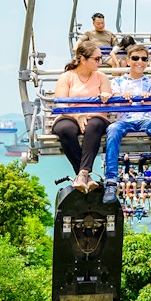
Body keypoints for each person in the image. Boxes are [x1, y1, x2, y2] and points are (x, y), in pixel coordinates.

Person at [103, 44, 151, 203]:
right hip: (125, 120)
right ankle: (111, 180)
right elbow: (116, 102)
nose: (140, 62)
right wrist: (121, 97)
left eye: (144, 59)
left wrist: (148, 98)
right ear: (128, 60)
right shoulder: (118, 82)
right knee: (112, 130)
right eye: (135, 58)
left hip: (147, 119)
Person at [51, 41, 112, 191]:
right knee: (65, 128)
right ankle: (85, 176)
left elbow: (107, 101)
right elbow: (61, 104)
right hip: (70, 115)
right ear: (83, 60)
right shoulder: (67, 77)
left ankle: (83, 173)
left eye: (101, 58)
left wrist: (105, 95)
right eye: (96, 59)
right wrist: (77, 116)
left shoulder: (101, 77)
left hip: (95, 116)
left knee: (94, 125)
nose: (100, 62)